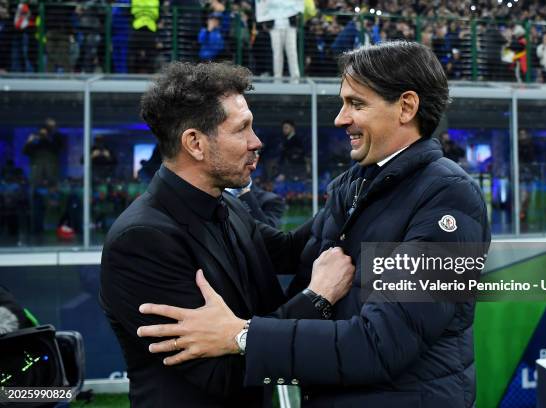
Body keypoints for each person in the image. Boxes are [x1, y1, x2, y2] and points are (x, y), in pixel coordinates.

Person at [138, 41, 491, 407]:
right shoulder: (357, 184)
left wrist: (241, 335)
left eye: (356, 103)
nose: (340, 118)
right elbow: (291, 251)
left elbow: (380, 345)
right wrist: (207, 195)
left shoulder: (449, 197)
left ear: (406, 107)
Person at [99, 61, 355, 407]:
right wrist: (317, 297)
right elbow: (221, 374)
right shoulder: (143, 240)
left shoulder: (227, 205)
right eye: (242, 129)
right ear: (195, 143)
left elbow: (290, 249)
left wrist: (357, 185)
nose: (256, 142)